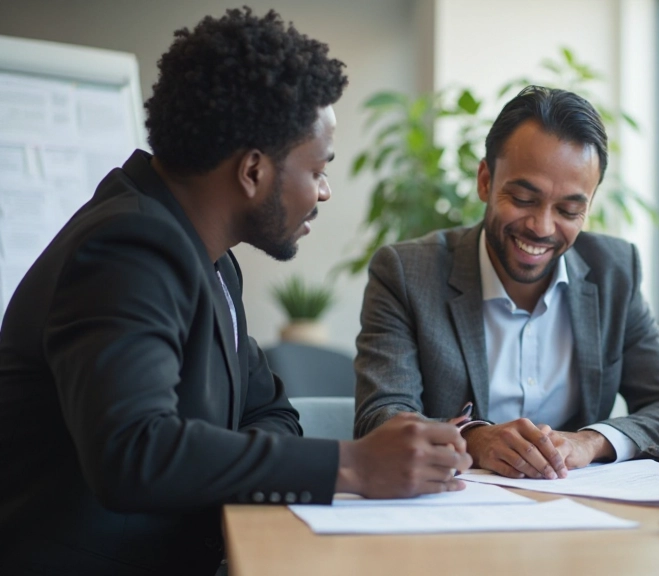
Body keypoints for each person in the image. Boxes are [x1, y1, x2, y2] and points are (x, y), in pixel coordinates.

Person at [0, 9, 470, 576]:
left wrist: (226, 457)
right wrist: (354, 465)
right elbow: (133, 453)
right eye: (319, 169)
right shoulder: (128, 247)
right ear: (253, 170)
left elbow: (271, 410)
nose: (323, 192)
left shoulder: (211, 260)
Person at [354, 86, 659, 481]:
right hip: (453, 520)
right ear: (485, 181)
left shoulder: (614, 271)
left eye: (569, 209)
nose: (542, 227)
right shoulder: (406, 272)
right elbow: (380, 419)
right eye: (523, 199)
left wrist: (590, 442)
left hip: (581, 516)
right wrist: (475, 438)